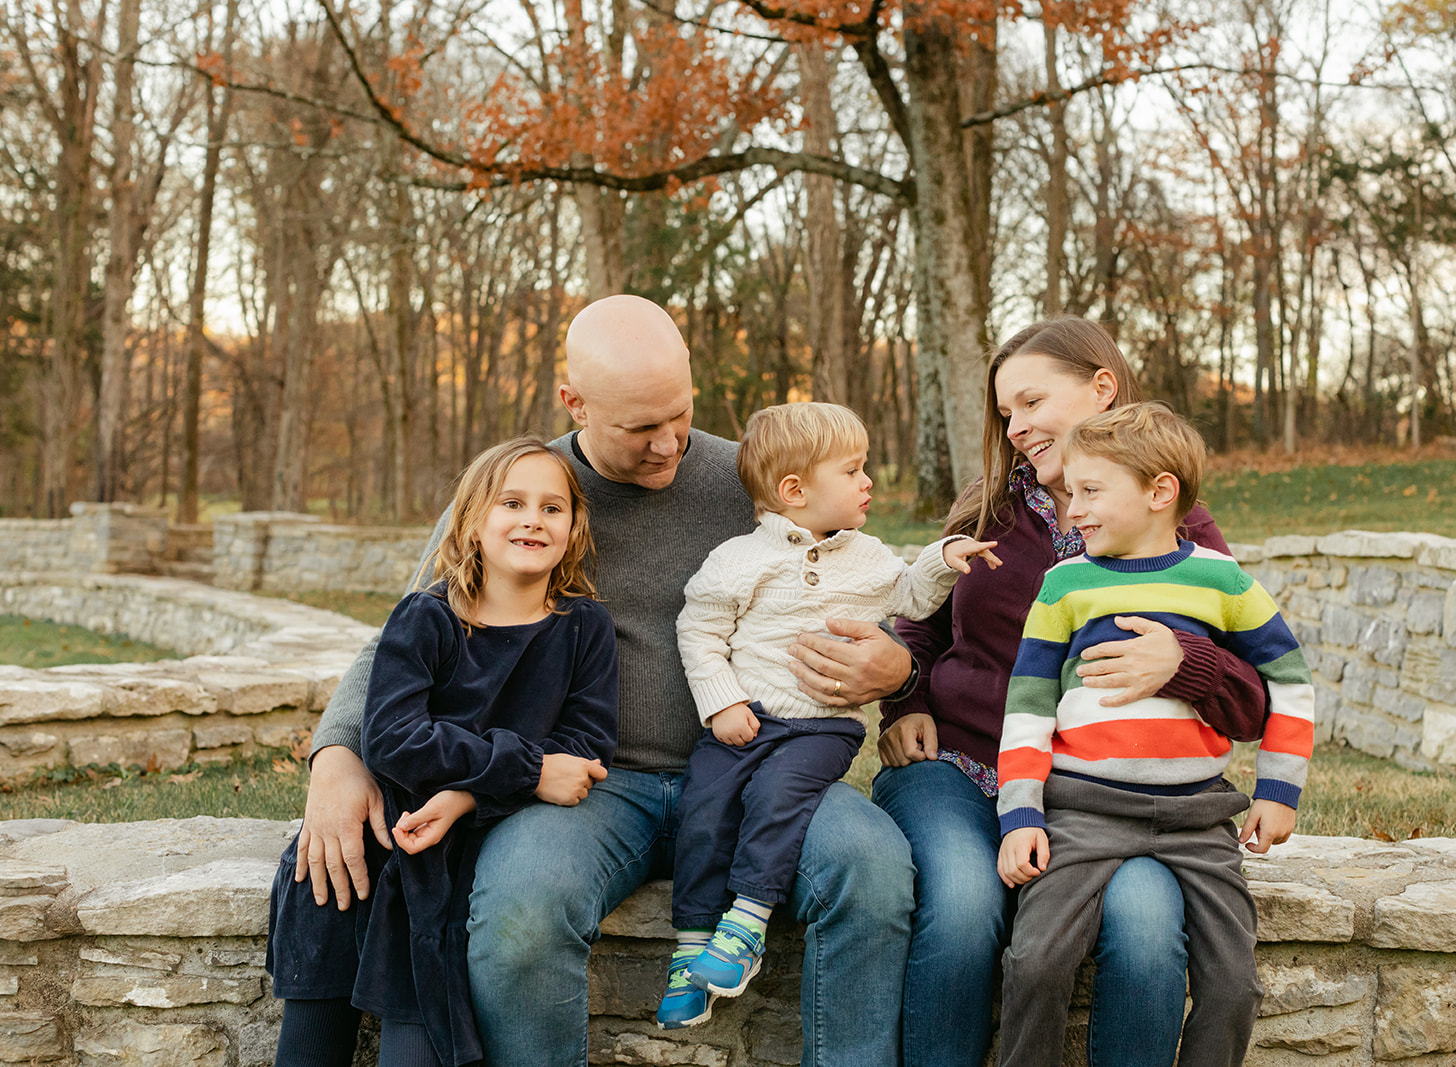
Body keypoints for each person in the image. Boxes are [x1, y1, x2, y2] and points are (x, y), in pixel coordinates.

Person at [296, 295, 918, 1067]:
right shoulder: (529, 491)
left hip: (761, 762)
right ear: (574, 402)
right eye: (639, 429)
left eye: (679, 415)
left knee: (875, 870)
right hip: (590, 782)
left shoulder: (756, 480)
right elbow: (411, 628)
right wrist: (337, 754)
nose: (668, 445)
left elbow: (878, 585)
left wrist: (901, 668)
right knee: (522, 910)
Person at [874, 316, 1274, 1067]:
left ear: (1102, 387)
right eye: (1006, 414)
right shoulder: (989, 503)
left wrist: (1180, 661)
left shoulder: (1178, 529)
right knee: (963, 909)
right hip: (962, 767)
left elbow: (1254, 697)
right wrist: (907, 699)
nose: (1017, 427)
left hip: (1101, 798)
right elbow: (918, 620)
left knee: (1151, 929)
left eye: (1031, 403)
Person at [268, 436, 618, 1067]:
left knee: (420, 1049)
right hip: (371, 846)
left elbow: (585, 743)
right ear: (472, 520)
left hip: (453, 861)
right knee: (310, 1049)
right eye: (512, 502)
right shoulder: (425, 618)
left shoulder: (584, 627)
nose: (532, 519)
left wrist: (464, 794)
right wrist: (526, 769)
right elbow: (397, 740)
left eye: (553, 507)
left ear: (574, 527)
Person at [660, 402, 1000, 1028]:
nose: (868, 481)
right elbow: (700, 630)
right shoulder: (736, 559)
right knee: (703, 808)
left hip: (820, 727)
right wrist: (723, 702)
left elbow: (910, 596)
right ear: (794, 491)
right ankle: (691, 948)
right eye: (852, 470)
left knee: (777, 795)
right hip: (743, 721)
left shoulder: (866, 556)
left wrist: (942, 558)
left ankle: (748, 923)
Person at [995, 402, 1314, 1067]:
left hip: (1198, 819)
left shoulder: (1222, 581)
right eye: (1070, 492)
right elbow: (1028, 705)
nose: (1071, 508)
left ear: (1159, 491)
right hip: (1082, 814)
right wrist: (1021, 810)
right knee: (1034, 964)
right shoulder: (1064, 586)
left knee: (1233, 986)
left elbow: (1289, 677)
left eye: (1090, 491)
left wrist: (1279, 787)